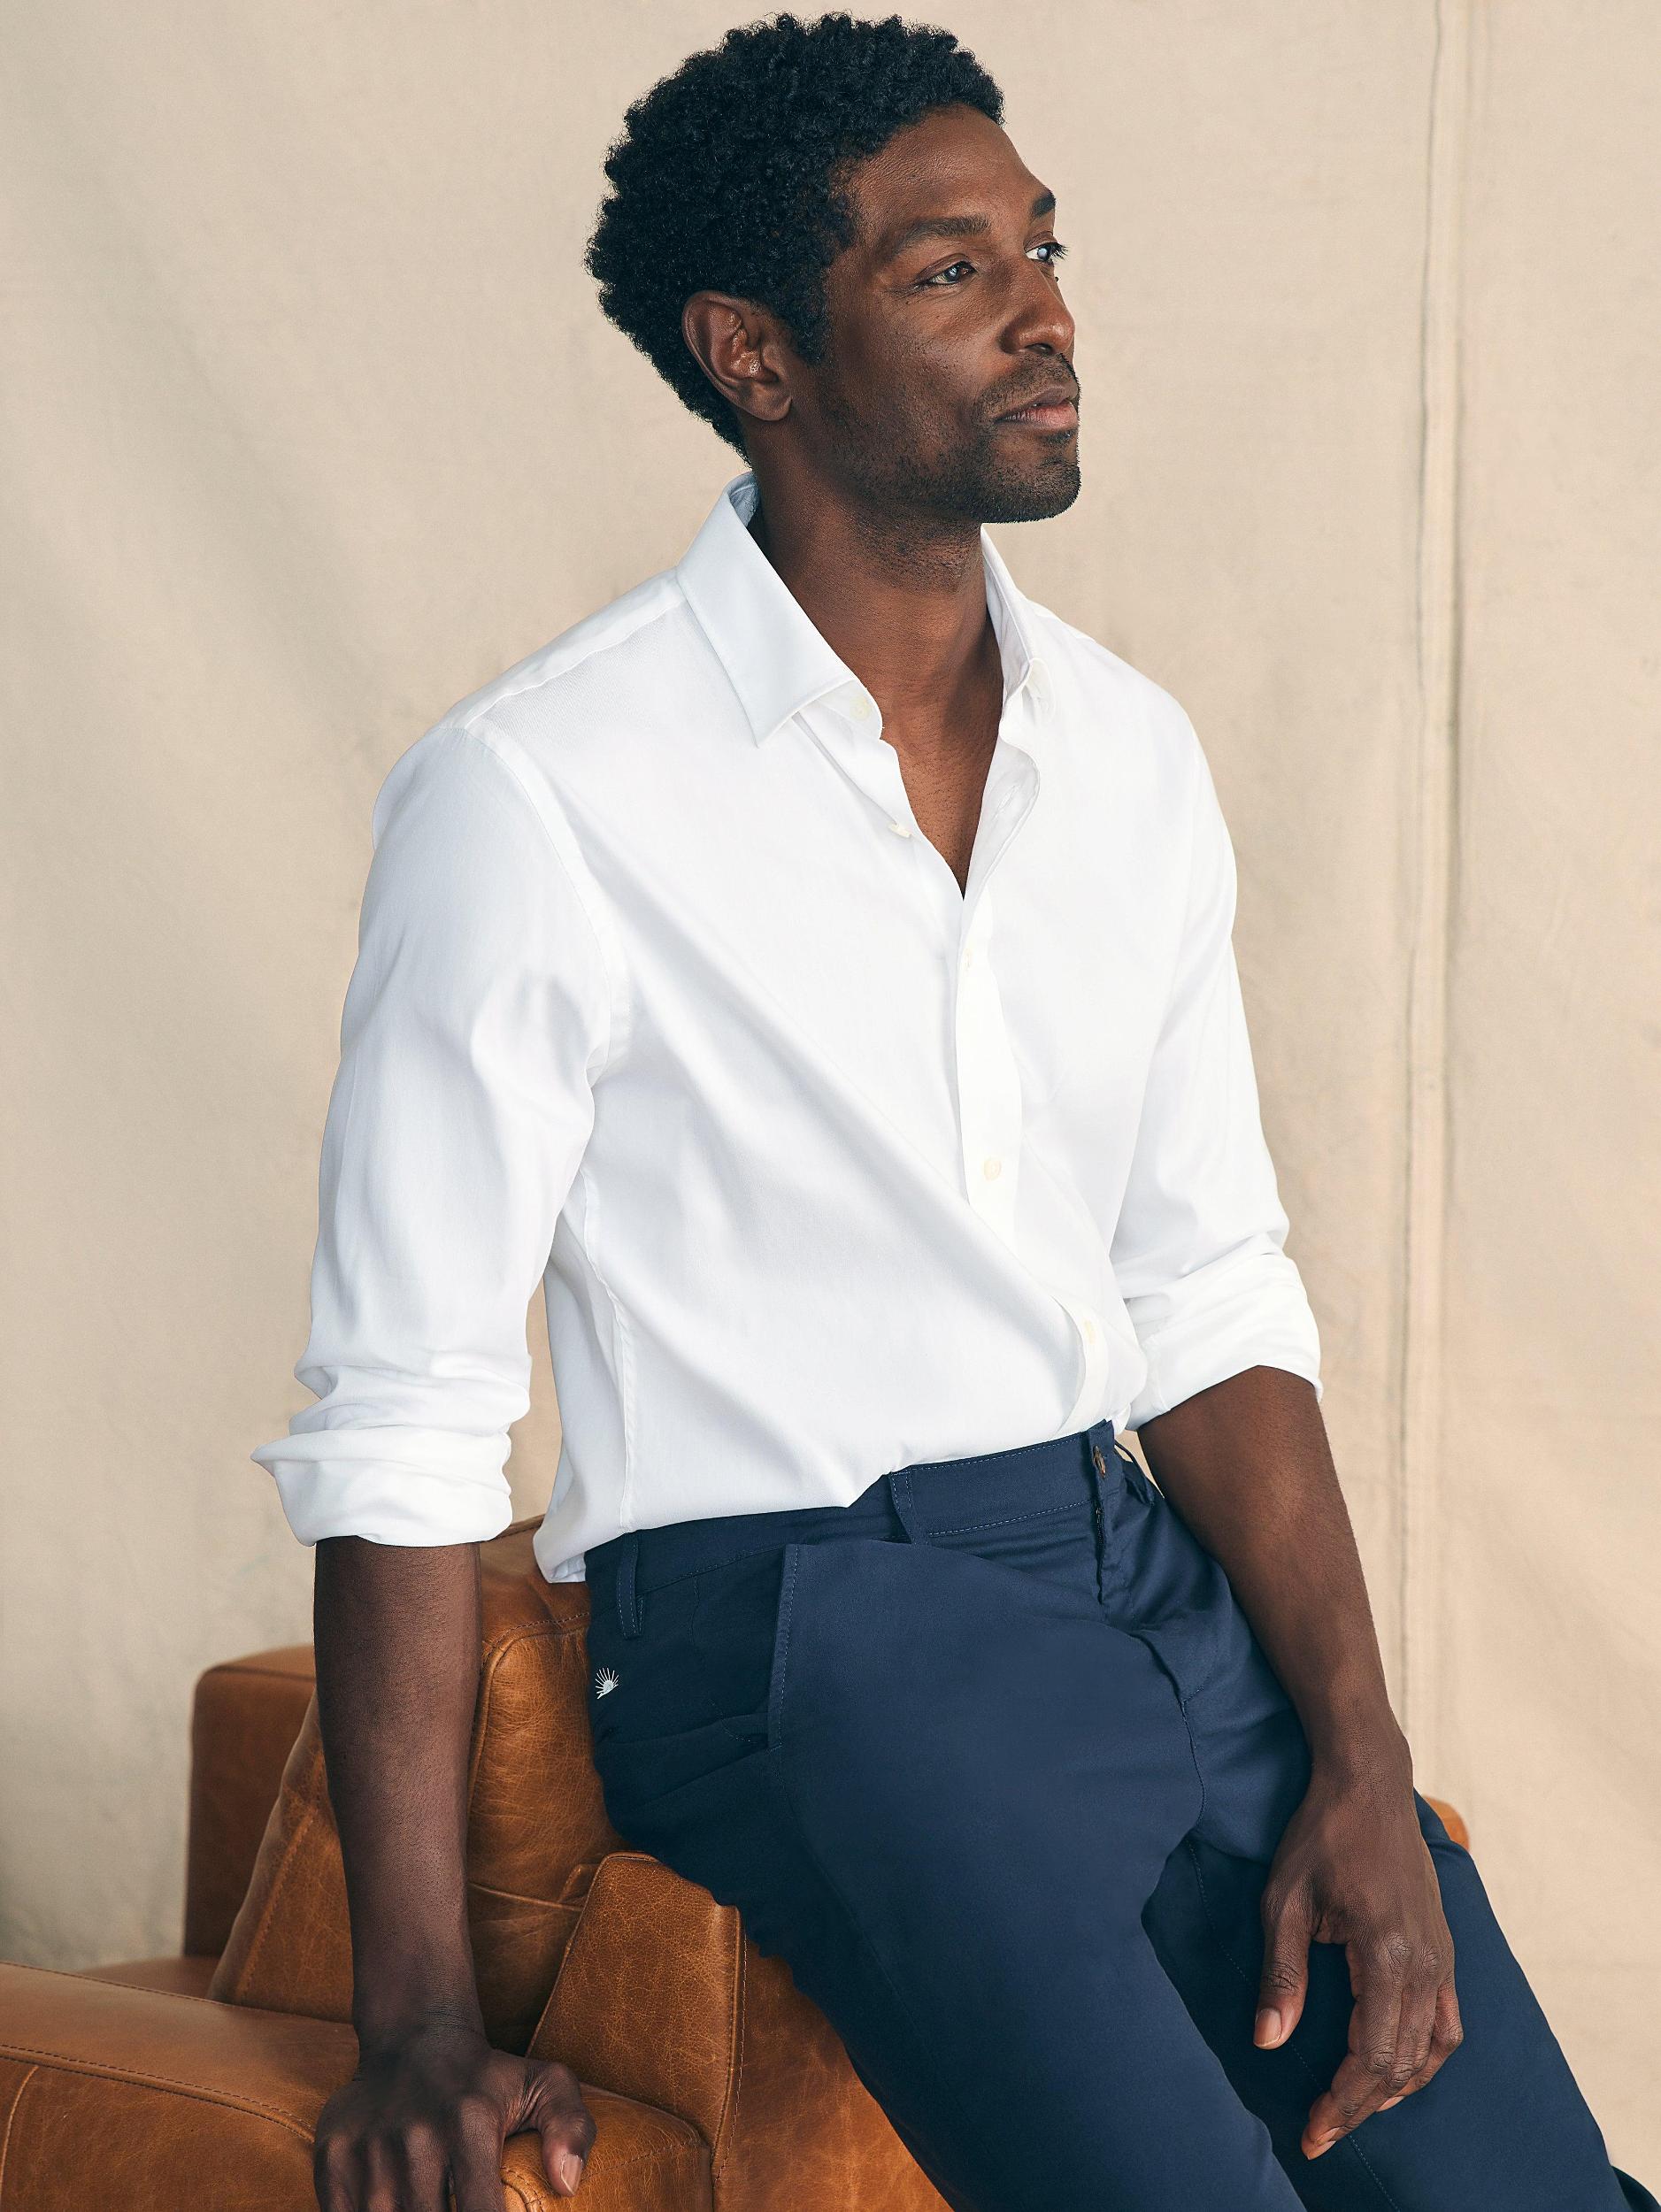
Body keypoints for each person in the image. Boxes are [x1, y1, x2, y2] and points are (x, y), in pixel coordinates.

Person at [250, 13, 1657, 2210]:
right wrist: (415, 2013)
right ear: (754, 353)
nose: (1042, 311)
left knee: (1532, 2191)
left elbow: (1204, 1292)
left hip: (1139, 1580)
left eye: (1042, 248)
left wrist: (1362, 1752)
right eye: (945, 269)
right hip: (804, 1630)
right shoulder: (538, 796)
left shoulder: (1133, 757)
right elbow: (407, 1418)